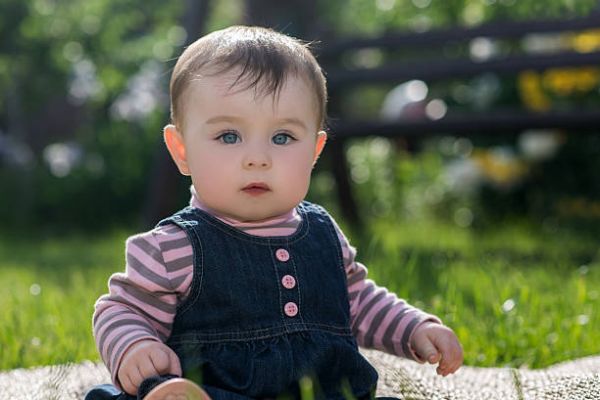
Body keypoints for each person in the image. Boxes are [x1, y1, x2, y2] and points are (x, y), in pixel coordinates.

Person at [85, 25, 463, 400]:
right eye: (228, 136)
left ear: (314, 153)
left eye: (282, 137)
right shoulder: (174, 247)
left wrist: (414, 328)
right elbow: (121, 311)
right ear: (182, 150)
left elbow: (359, 302)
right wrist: (134, 348)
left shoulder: (323, 234)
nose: (258, 159)